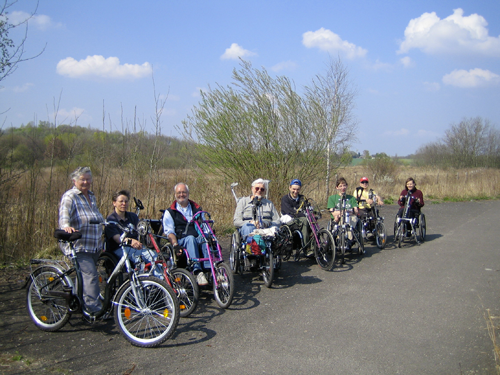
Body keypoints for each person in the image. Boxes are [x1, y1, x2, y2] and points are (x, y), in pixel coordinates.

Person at [59, 166, 104, 314]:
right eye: (82, 179)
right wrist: (66, 226)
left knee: (84, 277)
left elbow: (96, 216)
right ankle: (93, 310)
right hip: (79, 245)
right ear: (74, 180)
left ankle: (78, 305)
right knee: (91, 276)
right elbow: (64, 215)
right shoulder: (70, 196)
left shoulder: (91, 196)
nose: (86, 182)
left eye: (88, 179)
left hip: (94, 245)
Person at [105, 189, 161, 277]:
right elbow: (117, 238)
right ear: (114, 203)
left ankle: (161, 283)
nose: (124, 204)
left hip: (136, 247)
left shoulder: (133, 217)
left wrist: (148, 240)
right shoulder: (111, 219)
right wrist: (131, 241)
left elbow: (140, 232)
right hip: (119, 248)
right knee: (138, 258)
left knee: (154, 257)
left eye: (126, 201)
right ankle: (140, 282)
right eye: (121, 201)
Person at [162, 183, 210, 286]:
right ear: (175, 194)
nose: (181, 195)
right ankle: (197, 271)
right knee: (190, 239)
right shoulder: (170, 212)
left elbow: (205, 226)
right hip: (182, 239)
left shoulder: (196, 209)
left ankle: (210, 267)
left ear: (188, 193)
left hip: (197, 237)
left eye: (184, 192)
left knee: (205, 239)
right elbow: (169, 232)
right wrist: (175, 245)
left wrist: (209, 236)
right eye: (179, 192)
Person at [280, 179, 312, 256]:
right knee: (304, 221)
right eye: (294, 189)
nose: (295, 191)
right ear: (290, 188)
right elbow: (290, 212)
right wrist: (303, 215)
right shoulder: (285, 199)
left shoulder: (302, 198)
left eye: (298, 189)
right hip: (289, 221)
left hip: (300, 219)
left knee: (312, 221)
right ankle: (306, 248)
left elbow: (307, 208)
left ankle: (315, 247)